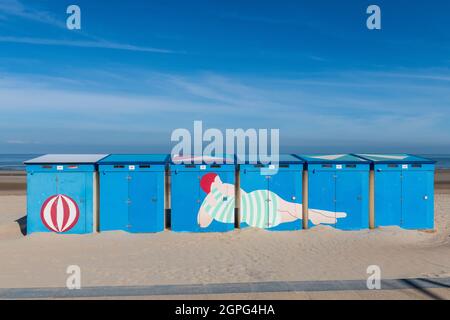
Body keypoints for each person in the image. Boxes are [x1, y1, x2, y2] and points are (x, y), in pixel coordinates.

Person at [197, 173, 347, 229]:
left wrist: (209, 204)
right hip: (259, 202)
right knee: (296, 210)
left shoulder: (208, 205)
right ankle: (327, 216)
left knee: (295, 212)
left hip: (257, 215)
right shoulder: (222, 189)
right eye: (218, 179)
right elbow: (241, 195)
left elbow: (202, 223)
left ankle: (326, 217)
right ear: (213, 183)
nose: (221, 181)